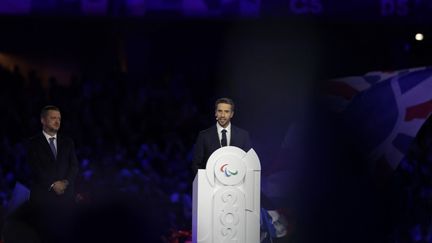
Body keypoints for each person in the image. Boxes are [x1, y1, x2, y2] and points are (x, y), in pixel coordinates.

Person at [26, 105, 79, 242]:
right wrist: (52, 184)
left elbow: (74, 166)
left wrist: (65, 183)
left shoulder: (68, 142)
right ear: (43, 120)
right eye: (53, 118)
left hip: (66, 200)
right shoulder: (32, 143)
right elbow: (34, 168)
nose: (57, 121)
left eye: (59, 119)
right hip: (43, 201)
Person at [192, 97, 252, 174]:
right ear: (215, 113)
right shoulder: (204, 136)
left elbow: (249, 164)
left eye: (226, 111)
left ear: (231, 114)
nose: (223, 115)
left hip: (236, 183)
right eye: (220, 111)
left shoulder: (243, 136)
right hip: (211, 184)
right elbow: (196, 165)